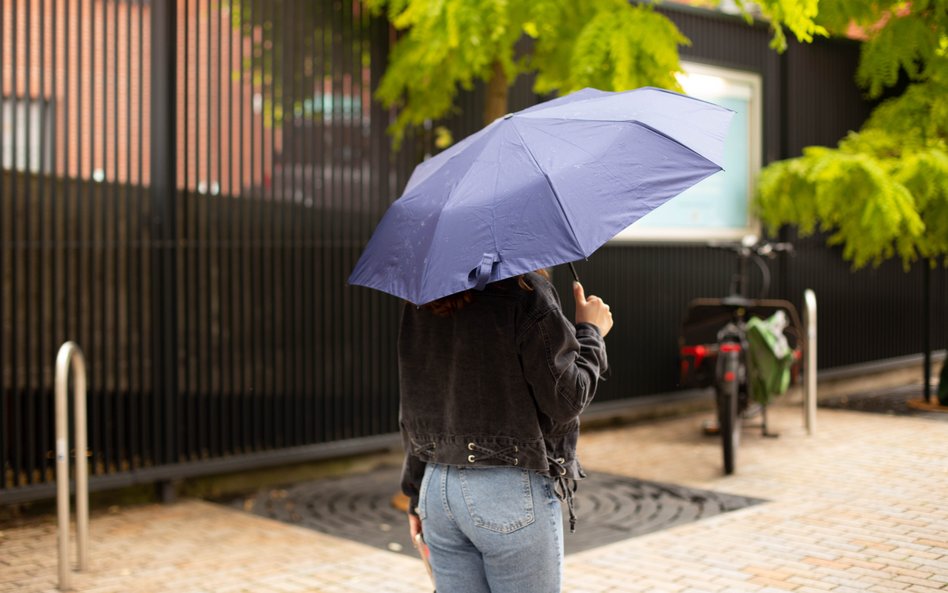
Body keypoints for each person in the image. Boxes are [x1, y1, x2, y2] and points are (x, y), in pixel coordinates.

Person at [398, 270, 612, 593]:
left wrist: (415, 494)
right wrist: (591, 331)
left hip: (438, 490)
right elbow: (567, 399)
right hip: (508, 490)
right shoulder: (525, 291)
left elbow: (413, 403)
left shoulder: (422, 299)